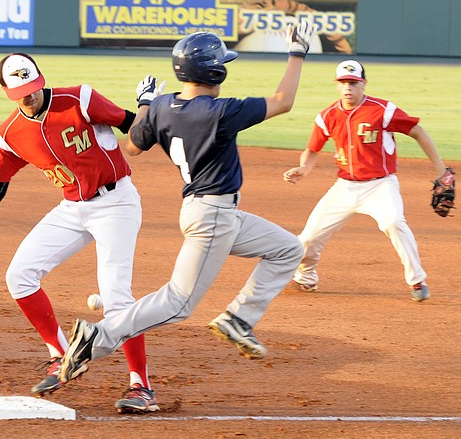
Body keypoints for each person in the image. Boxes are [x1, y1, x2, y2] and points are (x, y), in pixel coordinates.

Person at [58, 21, 317, 386]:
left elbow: (131, 145)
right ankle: (98, 337)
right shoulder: (220, 112)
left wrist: (145, 103)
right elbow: (283, 101)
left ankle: (238, 319)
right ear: (215, 70)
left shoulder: (164, 107)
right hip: (212, 216)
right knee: (177, 302)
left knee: (288, 249)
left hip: (216, 214)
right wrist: (297, 52)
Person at [0, 53, 158, 414]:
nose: (28, 97)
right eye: (19, 92)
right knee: (20, 275)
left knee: (116, 297)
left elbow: (133, 127)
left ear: (41, 79)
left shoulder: (80, 99)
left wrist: (147, 105)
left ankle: (142, 387)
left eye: (32, 88)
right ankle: (61, 356)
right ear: (5, 91)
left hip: (116, 203)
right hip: (73, 208)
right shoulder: (9, 134)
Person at [282, 59, 450, 302]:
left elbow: (417, 131)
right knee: (308, 238)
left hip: (380, 185)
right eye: (343, 83)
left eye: (353, 82)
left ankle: (417, 281)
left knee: (393, 222)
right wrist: (304, 167)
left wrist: (440, 170)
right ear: (337, 86)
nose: (348, 88)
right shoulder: (327, 116)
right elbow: (312, 149)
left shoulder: (383, 110)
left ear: (363, 84)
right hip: (345, 187)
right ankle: (306, 279)